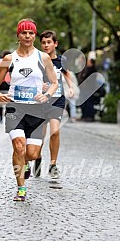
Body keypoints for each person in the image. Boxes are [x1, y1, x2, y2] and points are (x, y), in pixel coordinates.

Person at [0, 19, 58, 201]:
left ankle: (27, 164)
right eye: (24, 33)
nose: (27, 36)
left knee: (32, 153)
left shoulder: (42, 58)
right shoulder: (9, 59)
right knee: (19, 146)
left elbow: (54, 83)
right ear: (18, 35)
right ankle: (21, 189)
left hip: (37, 110)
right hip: (15, 108)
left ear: (34, 36)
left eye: (31, 33)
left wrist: (47, 95)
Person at [33, 30, 74, 179]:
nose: (46, 45)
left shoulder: (61, 60)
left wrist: (70, 87)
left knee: (55, 132)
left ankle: (53, 164)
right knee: (41, 135)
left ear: (55, 44)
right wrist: (40, 86)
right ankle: (37, 158)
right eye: (43, 42)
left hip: (57, 100)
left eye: (49, 42)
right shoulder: (37, 59)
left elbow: (67, 74)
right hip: (41, 101)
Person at [78, 52, 97, 122]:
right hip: (84, 89)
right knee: (84, 103)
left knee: (89, 103)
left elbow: (86, 79)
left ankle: (90, 116)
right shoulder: (86, 68)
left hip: (89, 89)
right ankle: (85, 115)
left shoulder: (92, 69)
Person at [0, 50, 11, 123]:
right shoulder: (13, 63)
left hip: (2, 83)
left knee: (1, 101)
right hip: (8, 83)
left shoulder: (0, 63)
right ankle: (6, 114)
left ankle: (1, 118)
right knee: (9, 100)